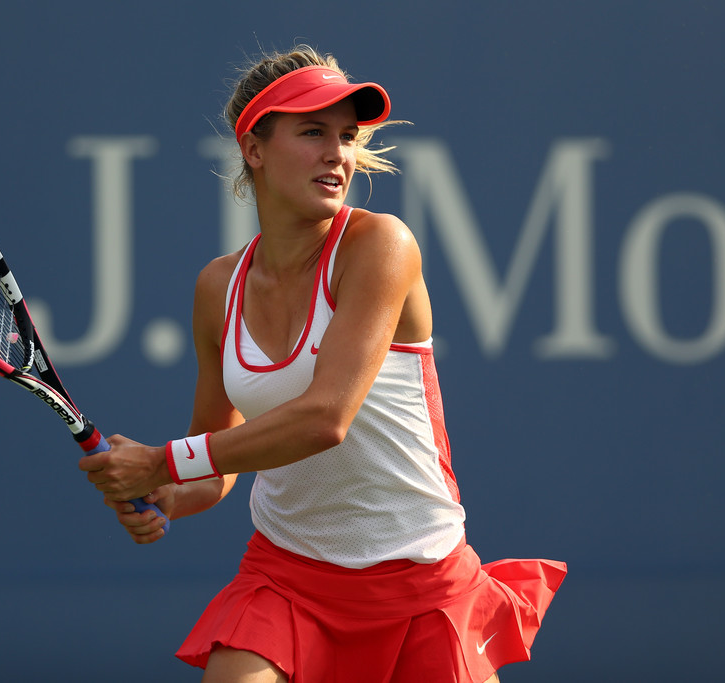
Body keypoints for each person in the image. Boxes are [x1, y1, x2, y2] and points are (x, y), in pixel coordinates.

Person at [78, 44, 566, 683]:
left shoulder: (380, 245)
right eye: (312, 132)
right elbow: (219, 454)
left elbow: (325, 418)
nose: (337, 152)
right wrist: (168, 492)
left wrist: (162, 460)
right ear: (254, 148)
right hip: (286, 579)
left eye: (346, 135)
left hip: (421, 587)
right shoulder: (217, 288)